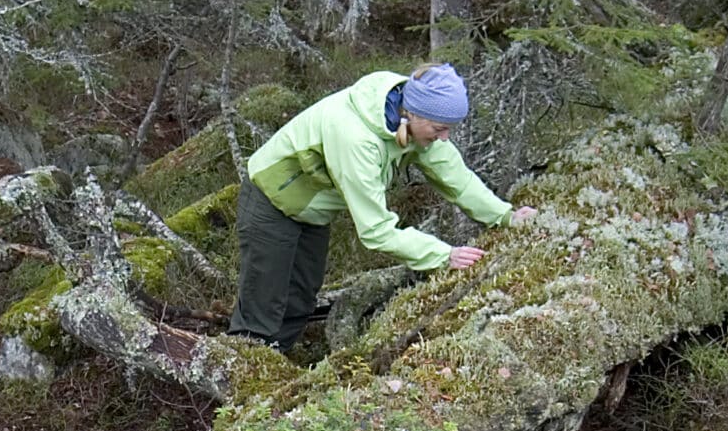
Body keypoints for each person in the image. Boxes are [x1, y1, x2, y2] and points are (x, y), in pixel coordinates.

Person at [229, 62, 536, 350]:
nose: (445, 138)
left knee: (300, 298)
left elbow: (458, 180)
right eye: (440, 129)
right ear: (414, 114)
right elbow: (376, 230)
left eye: (449, 129)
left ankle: (272, 361)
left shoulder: (414, 122)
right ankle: (240, 375)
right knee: (263, 304)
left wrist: (505, 216)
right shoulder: (355, 138)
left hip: (313, 212)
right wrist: (444, 256)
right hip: (270, 201)